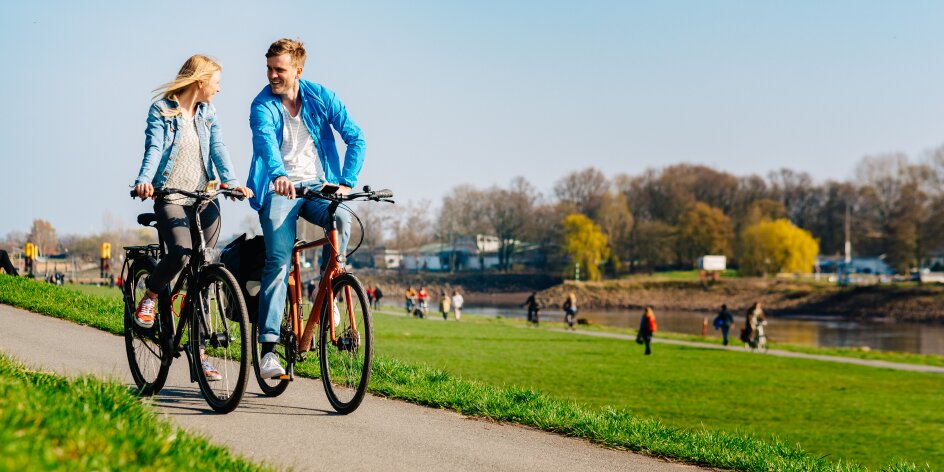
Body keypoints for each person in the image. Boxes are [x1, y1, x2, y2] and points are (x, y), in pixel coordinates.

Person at [249, 39, 366, 379]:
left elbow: (356, 137)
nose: (272, 75)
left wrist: (347, 182)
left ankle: (326, 291)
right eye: (269, 69)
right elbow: (265, 143)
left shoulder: (321, 96)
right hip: (279, 188)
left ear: (298, 70)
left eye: (279, 69)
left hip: (317, 186)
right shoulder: (262, 105)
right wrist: (279, 175)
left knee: (342, 216)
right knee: (278, 260)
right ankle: (269, 350)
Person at [131, 54, 253, 381]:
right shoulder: (162, 110)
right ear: (200, 81)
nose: (219, 89)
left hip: (203, 199)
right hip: (171, 197)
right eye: (216, 82)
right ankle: (151, 295)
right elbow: (154, 149)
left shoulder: (208, 112)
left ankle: (200, 355)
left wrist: (231, 182)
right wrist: (144, 180)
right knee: (181, 255)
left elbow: (219, 149)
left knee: (205, 272)